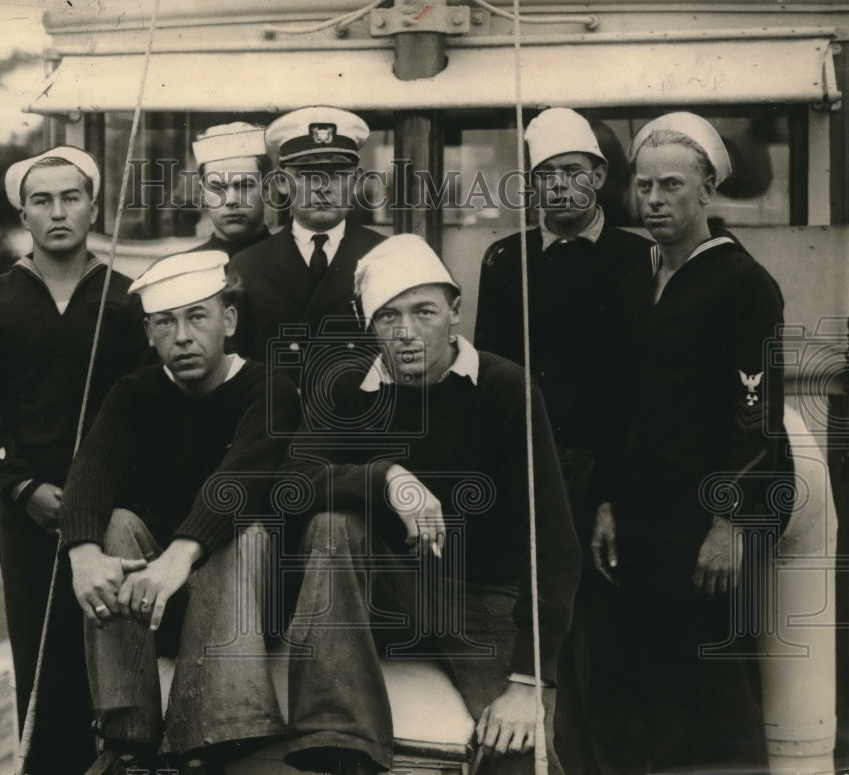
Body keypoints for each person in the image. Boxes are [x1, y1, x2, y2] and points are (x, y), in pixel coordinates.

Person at [281, 234, 581, 775]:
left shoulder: (504, 388)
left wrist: (528, 681)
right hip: (386, 597)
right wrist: (386, 477)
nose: (407, 332)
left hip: (484, 602)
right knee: (332, 524)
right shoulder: (347, 388)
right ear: (368, 324)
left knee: (516, 754)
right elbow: (292, 482)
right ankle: (340, 743)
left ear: (455, 311)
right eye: (388, 316)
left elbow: (554, 540)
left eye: (424, 312)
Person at [589, 112, 789, 773]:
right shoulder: (634, 279)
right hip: (643, 512)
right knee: (649, 674)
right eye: (643, 186)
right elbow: (618, 405)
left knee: (714, 675)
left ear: (706, 188)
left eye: (671, 185)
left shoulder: (742, 282)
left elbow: (756, 412)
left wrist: (729, 523)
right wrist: (608, 501)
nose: (653, 200)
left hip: (706, 518)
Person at [58, 251, 301, 774]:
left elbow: (237, 482)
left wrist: (178, 557)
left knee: (243, 530)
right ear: (149, 333)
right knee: (114, 524)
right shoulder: (134, 393)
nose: (183, 337)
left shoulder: (268, 389)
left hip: (250, 602)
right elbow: (90, 471)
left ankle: (207, 738)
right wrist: (82, 554)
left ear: (228, 321)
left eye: (197, 317)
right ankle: (127, 739)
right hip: (160, 604)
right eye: (166, 323)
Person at [0, 146, 151, 775]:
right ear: (24, 215)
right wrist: (21, 486)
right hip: (30, 518)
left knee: (116, 659)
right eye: (42, 200)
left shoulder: (129, 299)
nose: (58, 211)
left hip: (112, 517)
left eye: (71, 197)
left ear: (93, 207)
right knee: (42, 666)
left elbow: (147, 409)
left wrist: (104, 497)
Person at [474, 108, 652, 774]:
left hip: (610, 477)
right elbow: (491, 380)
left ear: (599, 176)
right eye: (545, 174)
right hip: (528, 473)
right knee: (538, 628)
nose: (558, 186)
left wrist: (611, 497)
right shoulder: (506, 259)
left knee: (609, 636)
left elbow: (641, 394)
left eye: (572, 172)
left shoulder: (639, 259)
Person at [227, 105, 385, 363]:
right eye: (307, 175)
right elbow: (237, 368)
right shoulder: (247, 266)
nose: (322, 188)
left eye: (336, 174)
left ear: (356, 181)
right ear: (281, 182)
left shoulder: (385, 257)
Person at [189, 122, 271, 257]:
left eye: (244, 186)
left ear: (266, 190)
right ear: (203, 194)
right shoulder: (186, 266)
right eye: (218, 188)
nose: (231, 200)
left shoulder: (296, 262)